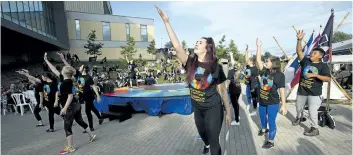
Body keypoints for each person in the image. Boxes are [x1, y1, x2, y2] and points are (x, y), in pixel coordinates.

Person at [156, 6, 231, 155]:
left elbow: (222, 91)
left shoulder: (216, 67)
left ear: (208, 48)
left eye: (200, 42)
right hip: (198, 108)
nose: (196, 43)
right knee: (203, 134)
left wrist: (228, 112)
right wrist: (166, 22)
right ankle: (207, 144)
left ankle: (213, 147)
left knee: (214, 141)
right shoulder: (190, 62)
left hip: (213, 108)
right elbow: (177, 46)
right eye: (196, 41)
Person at [292, 30, 331, 136]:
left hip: (314, 93)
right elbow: (299, 52)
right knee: (298, 107)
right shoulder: (306, 61)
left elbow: (328, 79)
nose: (311, 53)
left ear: (320, 56)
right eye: (312, 52)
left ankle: (314, 129)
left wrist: (315, 75)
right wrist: (299, 40)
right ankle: (299, 117)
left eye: (314, 53)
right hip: (302, 91)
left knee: (312, 111)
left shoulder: (323, 66)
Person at [255, 38, 287, 148]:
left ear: (273, 63)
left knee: (271, 120)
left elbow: (282, 90)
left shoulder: (279, 75)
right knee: (262, 117)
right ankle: (264, 129)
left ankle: (271, 140)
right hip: (262, 100)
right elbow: (258, 61)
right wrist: (258, 46)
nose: (265, 62)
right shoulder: (264, 71)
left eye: (267, 61)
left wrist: (284, 105)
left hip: (273, 102)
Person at [58, 66, 96, 154]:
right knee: (80, 121)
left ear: (65, 72)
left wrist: (64, 108)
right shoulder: (69, 80)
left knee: (67, 126)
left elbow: (70, 96)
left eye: (62, 69)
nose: (61, 70)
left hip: (70, 106)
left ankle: (70, 147)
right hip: (76, 105)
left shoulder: (66, 82)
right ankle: (92, 135)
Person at [77, 65, 103, 132]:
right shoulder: (79, 75)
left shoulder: (88, 77)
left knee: (87, 111)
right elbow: (69, 67)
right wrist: (63, 59)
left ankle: (90, 127)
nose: (79, 68)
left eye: (80, 67)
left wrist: (98, 96)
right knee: (92, 108)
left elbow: (93, 86)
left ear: (84, 69)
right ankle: (100, 117)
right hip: (83, 96)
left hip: (89, 96)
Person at [227, 52, 242, 126]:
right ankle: (238, 115)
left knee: (235, 105)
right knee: (236, 103)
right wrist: (231, 55)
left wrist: (225, 88)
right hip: (239, 89)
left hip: (233, 90)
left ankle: (237, 120)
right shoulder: (240, 70)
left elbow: (228, 82)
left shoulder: (230, 71)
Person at [244, 46, 259, 116]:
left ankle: (255, 108)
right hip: (248, 84)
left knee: (254, 97)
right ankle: (249, 104)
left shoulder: (255, 68)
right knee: (248, 95)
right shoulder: (248, 67)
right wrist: (246, 51)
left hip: (253, 84)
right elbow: (246, 59)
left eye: (248, 61)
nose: (247, 61)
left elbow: (258, 76)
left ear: (251, 61)